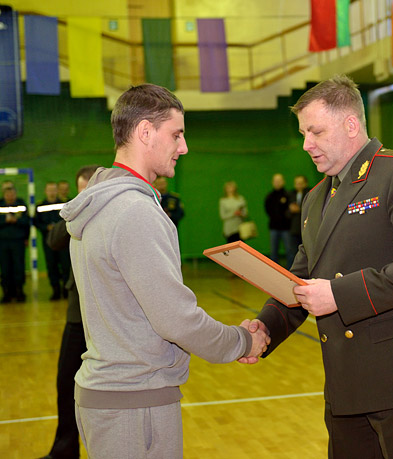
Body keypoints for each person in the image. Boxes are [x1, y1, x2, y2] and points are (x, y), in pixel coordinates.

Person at [242, 75, 393, 458]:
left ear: (351, 125)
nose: (306, 144)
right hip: (346, 384)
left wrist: (339, 295)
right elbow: (301, 280)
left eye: (316, 131)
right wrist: (266, 328)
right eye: (303, 133)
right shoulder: (316, 198)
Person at [59, 84, 269, 458]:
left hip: (111, 397)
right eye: (176, 134)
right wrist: (242, 341)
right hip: (135, 404)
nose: (183, 147)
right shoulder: (134, 212)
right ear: (144, 132)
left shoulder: (99, 203)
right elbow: (177, 320)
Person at [39, 165, 99, 459]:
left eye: (89, 190)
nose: (84, 195)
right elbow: (53, 241)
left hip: (104, 321)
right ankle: (64, 451)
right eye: (80, 190)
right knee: (66, 383)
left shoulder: (113, 213)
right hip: (77, 316)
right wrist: (77, 208)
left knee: (103, 394)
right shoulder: (74, 215)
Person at [35, 181, 71, 300]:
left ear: (57, 191)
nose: (51, 192)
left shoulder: (65, 204)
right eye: (49, 190)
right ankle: (55, 291)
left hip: (63, 242)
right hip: (48, 242)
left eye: (54, 190)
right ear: (45, 191)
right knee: (52, 267)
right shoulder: (40, 206)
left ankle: (66, 291)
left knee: (66, 266)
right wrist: (46, 227)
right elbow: (36, 222)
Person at [0, 184, 29, 303]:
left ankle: (19, 292)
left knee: (19, 267)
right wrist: (5, 220)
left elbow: (27, 221)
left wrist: (16, 220)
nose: (10, 196)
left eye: (12, 194)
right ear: (4, 195)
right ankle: (7, 293)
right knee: (5, 268)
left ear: (15, 194)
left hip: (18, 241)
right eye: (7, 194)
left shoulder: (21, 204)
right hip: (2, 242)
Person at [264, 173, 294, 267]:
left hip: (286, 228)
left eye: (279, 181)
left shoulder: (288, 195)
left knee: (289, 250)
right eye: (275, 181)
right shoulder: (269, 196)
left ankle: (291, 272)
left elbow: (291, 210)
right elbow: (267, 209)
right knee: (273, 251)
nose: (277, 183)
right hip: (274, 227)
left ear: (283, 182)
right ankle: (274, 271)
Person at [288, 174, 309, 253]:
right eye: (297, 183)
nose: (298, 185)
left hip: (306, 228)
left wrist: (299, 210)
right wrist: (291, 210)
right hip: (294, 228)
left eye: (301, 183)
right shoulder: (291, 194)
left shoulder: (310, 194)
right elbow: (286, 212)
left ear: (305, 183)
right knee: (293, 252)